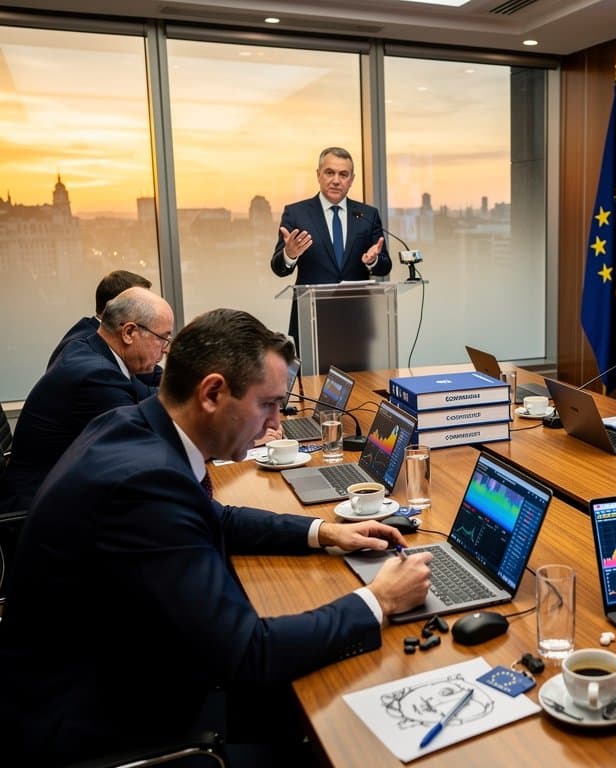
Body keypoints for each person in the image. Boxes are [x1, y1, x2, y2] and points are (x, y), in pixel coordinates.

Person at [0, 308, 432, 765]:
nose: (275, 425)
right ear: (211, 393)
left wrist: (325, 531)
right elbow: (249, 652)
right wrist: (378, 601)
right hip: (105, 725)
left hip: (109, 669)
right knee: (339, 735)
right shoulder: (143, 487)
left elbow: (215, 518)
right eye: (267, 405)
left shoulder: (132, 426)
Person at [0, 287, 173, 512]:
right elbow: (144, 448)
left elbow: (143, 394)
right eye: (163, 338)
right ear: (129, 332)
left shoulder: (91, 348)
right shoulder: (95, 376)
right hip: (42, 511)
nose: (166, 350)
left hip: (56, 490)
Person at [271, 146, 392, 350]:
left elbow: (384, 266)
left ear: (351, 179)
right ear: (318, 175)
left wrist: (373, 261)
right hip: (311, 321)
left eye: (343, 174)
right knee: (311, 383)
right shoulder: (296, 214)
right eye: (330, 172)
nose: (336, 180)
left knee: (362, 382)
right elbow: (278, 268)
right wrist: (289, 255)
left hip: (357, 322)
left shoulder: (367, 215)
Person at [46, 269, 153, 369]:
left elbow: (147, 375)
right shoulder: (86, 348)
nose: (148, 313)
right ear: (113, 307)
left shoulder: (107, 333)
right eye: (141, 305)